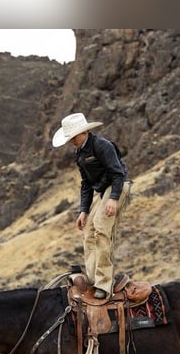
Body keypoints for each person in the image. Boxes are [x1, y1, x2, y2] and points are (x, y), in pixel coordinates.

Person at [52, 112, 130, 300]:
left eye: (72, 137)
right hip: (105, 192)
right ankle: (93, 278)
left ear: (83, 133)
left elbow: (118, 173)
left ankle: (105, 283)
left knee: (102, 229)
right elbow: (86, 184)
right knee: (89, 230)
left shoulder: (102, 146)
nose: (71, 141)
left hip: (118, 187)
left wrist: (113, 198)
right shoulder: (80, 154)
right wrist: (83, 211)